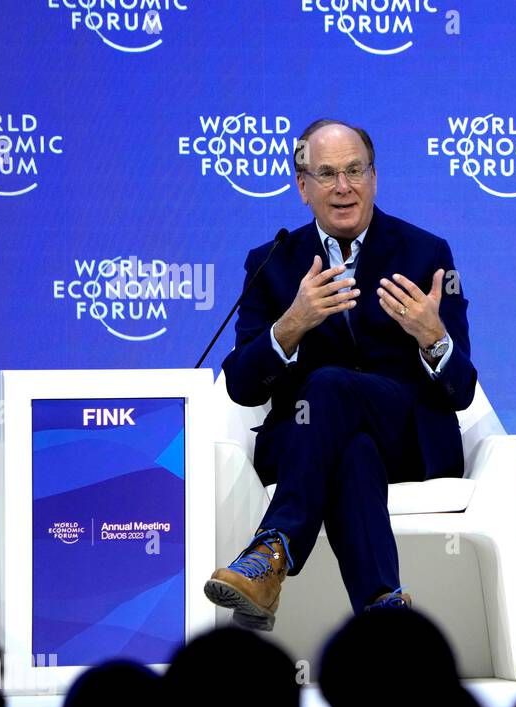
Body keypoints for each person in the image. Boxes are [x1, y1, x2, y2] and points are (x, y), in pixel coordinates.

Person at [203, 118, 477, 630]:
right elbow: (241, 387)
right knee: (352, 449)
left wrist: (431, 336)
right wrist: (291, 325)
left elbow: (460, 390)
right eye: (326, 174)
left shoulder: (426, 254)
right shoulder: (272, 264)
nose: (344, 186)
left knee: (329, 384)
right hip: (308, 440)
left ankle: (273, 552)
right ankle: (384, 617)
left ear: (375, 177)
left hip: (409, 436)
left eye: (355, 170)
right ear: (302, 187)